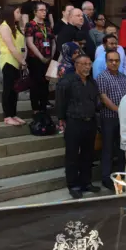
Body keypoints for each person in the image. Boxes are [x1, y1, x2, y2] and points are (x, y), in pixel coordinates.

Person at [55, 54, 101, 199]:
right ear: (76, 65)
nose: (87, 67)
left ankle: (86, 182)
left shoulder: (92, 82)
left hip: (90, 122)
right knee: (72, 155)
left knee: (88, 154)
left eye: (89, 64)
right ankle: (73, 184)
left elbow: (96, 101)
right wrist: (61, 118)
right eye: (84, 64)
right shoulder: (67, 81)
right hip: (74, 122)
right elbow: (60, 101)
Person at [96, 50, 126, 189]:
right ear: (106, 61)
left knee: (122, 149)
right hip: (109, 119)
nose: (114, 63)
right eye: (111, 60)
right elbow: (104, 98)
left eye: (116, 60)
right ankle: (106, 178)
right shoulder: (102, 77)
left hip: (124, 120)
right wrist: (119, 110)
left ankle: (121, 176)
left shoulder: (123, 77)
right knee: (108, 149)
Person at [0, 5, 26, 126]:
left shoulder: (15, 27)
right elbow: (11, 48)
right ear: (10, 13)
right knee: (8, 90)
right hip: (9, 61)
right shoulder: (4, 27)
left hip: (17, 61)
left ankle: (13, 114)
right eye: (18, 12)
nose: (20, 14)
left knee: (15, 90)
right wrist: (22, 61)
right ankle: (7, 116)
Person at [25, 2, 55, 114]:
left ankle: (43, 107)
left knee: (45, 84)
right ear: (35, 12)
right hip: (35, 59)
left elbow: (52, 40)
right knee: (35, 83)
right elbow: (30, 43)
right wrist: (41, 57)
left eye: (45, 10)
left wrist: (51, 55)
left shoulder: (47, 25)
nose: (44, 12)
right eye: (41, 10)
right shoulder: (30, 25)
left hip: (47, 58)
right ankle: (36, 109)